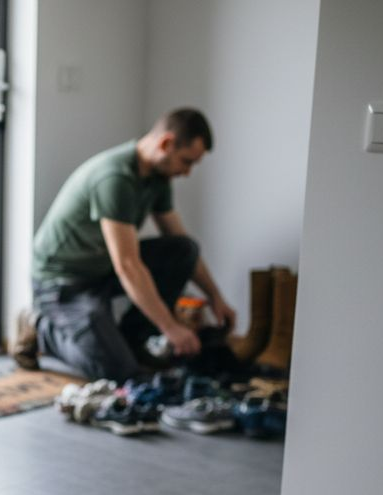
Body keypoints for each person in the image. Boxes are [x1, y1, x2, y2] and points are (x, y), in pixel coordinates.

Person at [14, 108, 236, 381]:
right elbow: (128, 265)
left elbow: (179, 239)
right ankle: (42, 328)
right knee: (119, 371)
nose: (187, 172)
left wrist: (216, 297)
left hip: (100, 270)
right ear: (165, 144)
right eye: (186, 161)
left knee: (184, 250)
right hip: (62, 283)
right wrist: (170, 328)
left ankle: (133, 342)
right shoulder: (116, 178)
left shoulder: (158, 178)